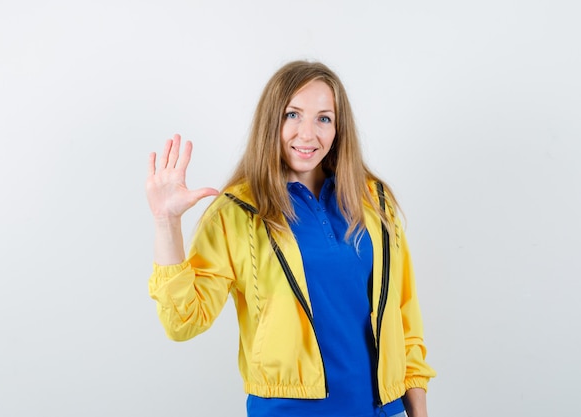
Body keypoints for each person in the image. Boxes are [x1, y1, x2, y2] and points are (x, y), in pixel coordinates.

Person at [146, 61, 436, 417]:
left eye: (323, 118)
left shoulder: (374, 202)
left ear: (338, 128)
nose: (308, 133)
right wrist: (166, 223)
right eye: (293, 115)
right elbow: (183, 321)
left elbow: (405, 320)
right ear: (271, 122)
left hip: (379, 410)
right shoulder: (238, 212)